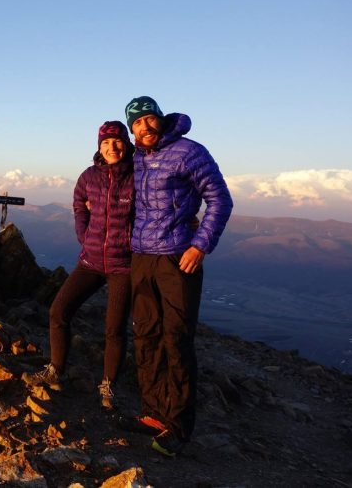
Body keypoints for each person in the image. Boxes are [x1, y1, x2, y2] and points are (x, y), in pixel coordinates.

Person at [123, 96, 233, 457]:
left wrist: (200, 245)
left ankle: (180, 426)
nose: (144, 127)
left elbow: (220, 199)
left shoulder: (189, 151)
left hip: (176, 258)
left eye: (149, 119)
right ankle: (153, 413)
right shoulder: (138, 156)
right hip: (142, 257)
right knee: (147, 335)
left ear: (160, 119)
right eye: (137, 123)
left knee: (177, 339)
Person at [23, 120, 134, 411]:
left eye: (117, 141)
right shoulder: (89, 176)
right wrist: (83, 235)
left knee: (114, 329)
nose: (112, 147)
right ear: (99, 147)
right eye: (106, 143)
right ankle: (56, 369)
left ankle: (110, 385)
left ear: (126, 143)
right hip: (91, 260)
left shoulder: (138, 175)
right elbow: (78, 204)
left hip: (124, 265)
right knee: (58, 311)